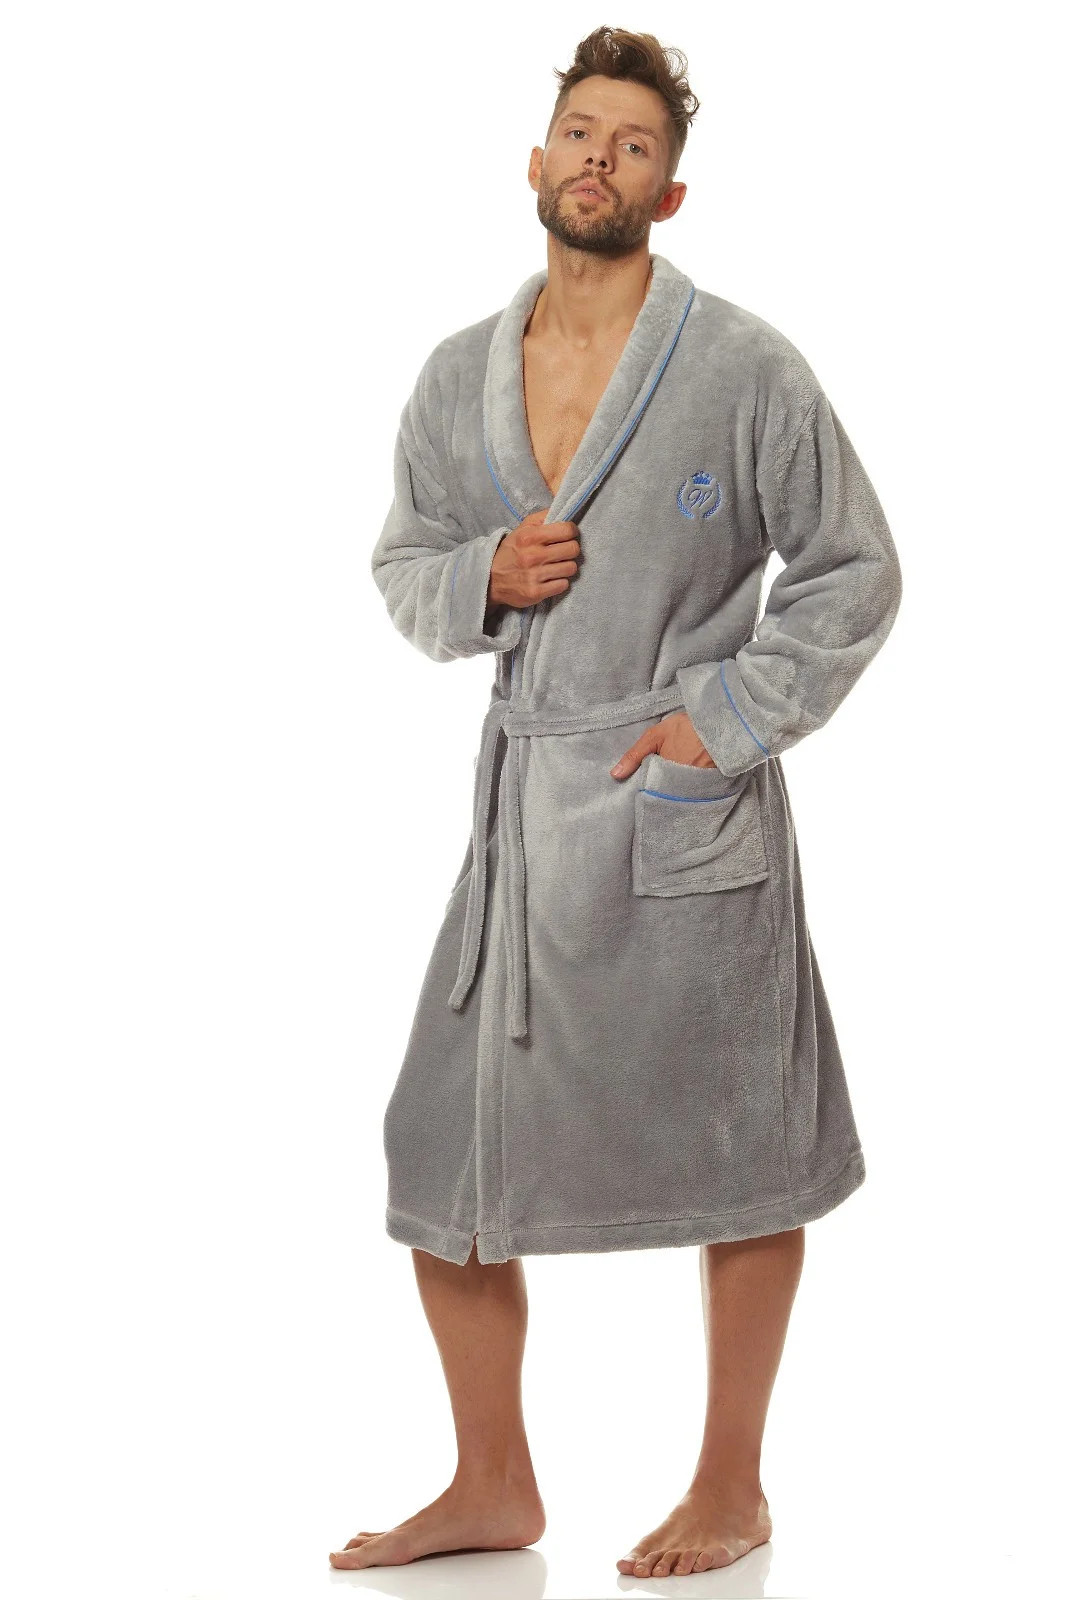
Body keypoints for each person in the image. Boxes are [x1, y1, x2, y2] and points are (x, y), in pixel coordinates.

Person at [332, 24, 902, 1580]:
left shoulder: (743, 370)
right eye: (582, 131)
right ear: (536, 162)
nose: (601, 157)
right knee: (441, 1155)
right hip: (526, 815)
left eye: (635, 143)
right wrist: (484, 575)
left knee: (746, 1145)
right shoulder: (456, 376)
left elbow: (854, 570)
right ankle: (493, 1482)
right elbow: (403, 563)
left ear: (671, 191)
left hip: (685, 812)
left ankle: (733, 1486)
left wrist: (721, 723)